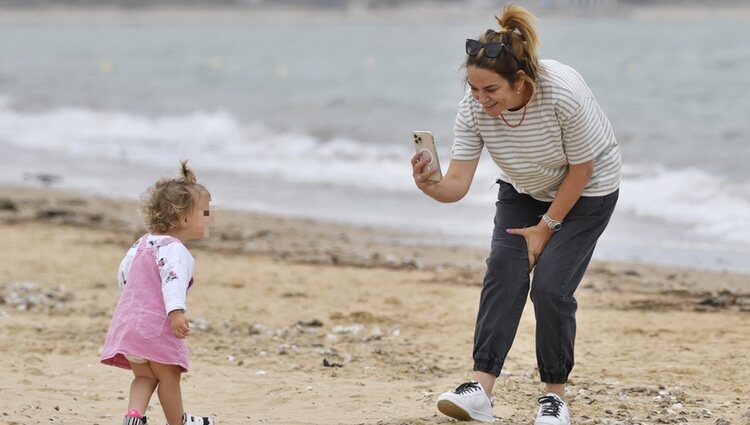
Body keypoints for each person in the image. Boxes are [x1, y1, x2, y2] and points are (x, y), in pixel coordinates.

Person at [411, 4, 621, 424]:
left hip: (587, 192)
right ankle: (480, 392)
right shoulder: (473, 109)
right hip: (523, 189)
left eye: (490, 90)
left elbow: (583, 169)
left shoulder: (561, 93)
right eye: (473, 88)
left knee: (550, 287)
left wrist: (546, 229)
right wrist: (429, 184)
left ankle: (554, 398)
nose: (480, 99)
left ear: (520, 81)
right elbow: (456, 186)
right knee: (502, 273)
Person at [100, 161, 216, 425]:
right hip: (155, 326)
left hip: (129, 323)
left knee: (144, 376)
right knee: (169, 376)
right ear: (186, 218)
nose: (209, 217)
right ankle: (179, 422)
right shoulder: (175, 250)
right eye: (205, 212)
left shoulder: (142, 243)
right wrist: (177, 313)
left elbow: (124, 277)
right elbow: (172, 282)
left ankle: (134, 416)